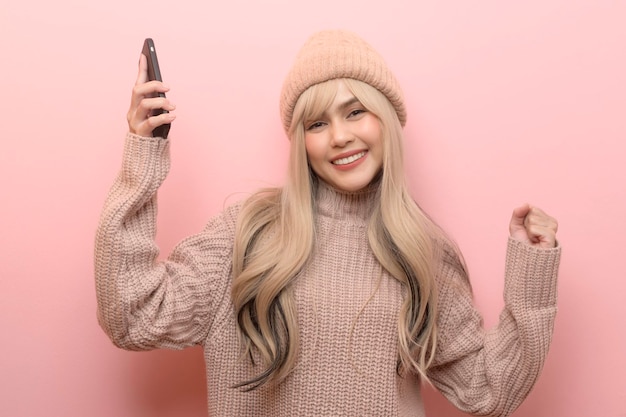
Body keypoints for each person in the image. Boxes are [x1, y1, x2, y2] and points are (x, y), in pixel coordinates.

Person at [95, 30, 561, 417]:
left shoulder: (424, 252)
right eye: (316, 124)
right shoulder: (247, 234)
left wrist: (532, 275)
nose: (339, 136)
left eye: (355, 111)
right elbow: (133, 315)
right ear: (300, 141)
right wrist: (143, 158)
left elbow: (489, 390)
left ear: (386, 121)